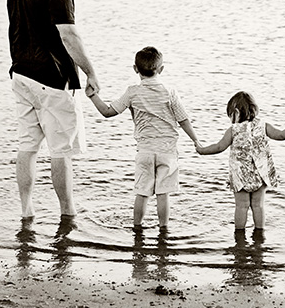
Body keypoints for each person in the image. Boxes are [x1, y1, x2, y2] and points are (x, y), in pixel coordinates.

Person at [6, 0, 100, 222]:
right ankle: (67, 213)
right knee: (62, 151)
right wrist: (91, 73)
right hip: (52, 77)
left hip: (21, 74)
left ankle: (26, 211)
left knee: (27, 146)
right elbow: (69, 34)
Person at [86, 46, 201, 228]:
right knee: (163, 194)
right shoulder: (170, 92)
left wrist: (93, 96)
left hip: (145, 152)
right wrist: (196, 141)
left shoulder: (132, 92)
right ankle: (164, 229)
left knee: (142, 193)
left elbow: (108, 112)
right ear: (161, 69)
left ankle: (137, 228)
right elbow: (183, 119)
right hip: (167, 151)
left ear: (135, 69)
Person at [197, 91, 285, 230]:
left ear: (235, 113)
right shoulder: (263, 126)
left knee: (241, 206)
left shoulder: (233, 130)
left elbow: (219, 147)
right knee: (258, 206)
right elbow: (282, 135)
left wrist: (202, 150)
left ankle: (239, 236)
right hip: (261, 173)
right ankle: (259, 234)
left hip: (241, 176)